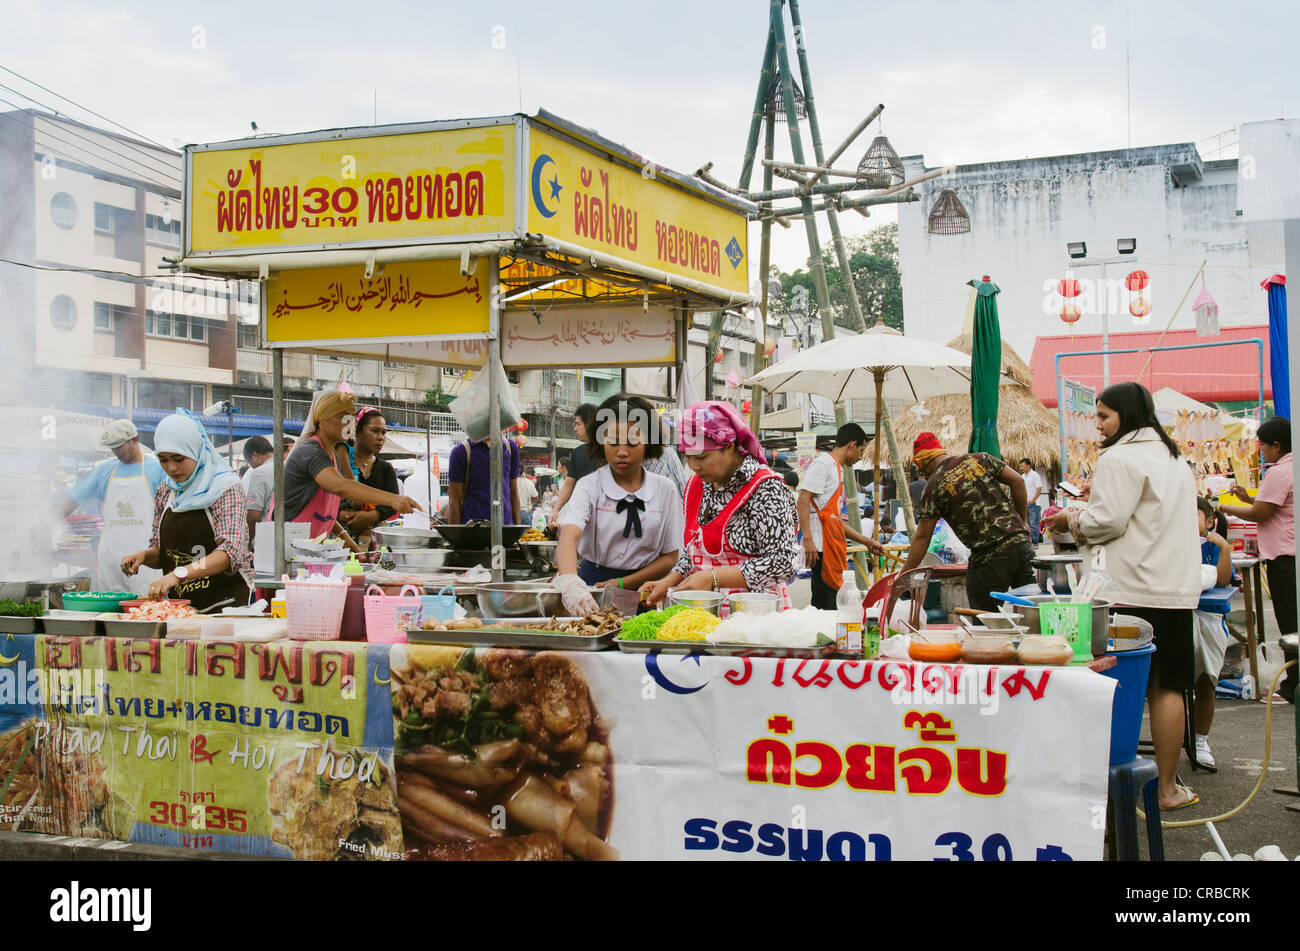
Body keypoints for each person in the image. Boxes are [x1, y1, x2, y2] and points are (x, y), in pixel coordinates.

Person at [1049, 381, 1201, 810]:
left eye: (1104, 416)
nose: (1097, 425)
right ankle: (1168, 789)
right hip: (1174, 589)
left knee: (1116, 686)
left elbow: (1107, 522)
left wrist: (1069, 518)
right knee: (1167, 689)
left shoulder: (1120, 457)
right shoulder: (1173, 458)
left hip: (1131, 587)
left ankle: (1104, 788)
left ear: (1126, 416)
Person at [639, 401, 799, 615]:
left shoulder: (765, 488)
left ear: (730, 446)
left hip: (755, 616)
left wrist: (712, 577)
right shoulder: (696, 486)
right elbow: (694, 552)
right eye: (687, 457)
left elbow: (783, 561)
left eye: (702, 457)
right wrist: (668, 581)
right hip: (702, 614)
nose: (694, 466)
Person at [554, 395, 683, 615]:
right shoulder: (589, 485)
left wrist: (623, 583)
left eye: (633, 442)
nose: (622, 451)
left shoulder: (665, 489)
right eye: (612, 442)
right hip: (592, 587)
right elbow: (568, 536)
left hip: (645, 589)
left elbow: (671, 556)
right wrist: (569, 583)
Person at [120, 412, 253, 611]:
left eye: (179, 459)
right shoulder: (166, 490)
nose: (172, 468)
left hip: (227, 607)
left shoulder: (225, 488)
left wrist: (179, 574)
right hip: (180, 608)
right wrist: (145, 556)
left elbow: (230, 553)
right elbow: (162, 552)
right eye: (163, 460)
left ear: (196, 450)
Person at [900, 432, 1033, 611]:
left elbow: (923, 538)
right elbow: (1017, 481)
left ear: (922, 462)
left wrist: (903, 576)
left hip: (989, 557)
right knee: (1033, 610)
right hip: (1021, 545)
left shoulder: (933, 486)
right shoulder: (979, 459)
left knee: (986, 620)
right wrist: (1023, 521)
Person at [281, 389, 420, 548]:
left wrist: (355, 549)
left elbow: (325, 515)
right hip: (290, 545)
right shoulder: (311, 452)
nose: (349, 423)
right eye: (342, 417)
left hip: (311, 546)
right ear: (322, 420)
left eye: (350, 417)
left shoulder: (331, 456)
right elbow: (340, 486)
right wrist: (393, 499)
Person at [62, 419, 165, 594]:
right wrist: (46, 521)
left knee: (146, 607)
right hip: (111, 557)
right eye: (112, 448)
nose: (115, 452)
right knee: (109, 609)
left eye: (119, 446)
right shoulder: (104, 471)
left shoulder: (157, 470)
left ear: (135, 439)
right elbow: (73, 499)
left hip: (146, 558)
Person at [1217, 416, 1295, 645]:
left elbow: (1260, 514)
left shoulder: (1279, 471)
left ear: (1277, 445)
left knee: (1290, 621)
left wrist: (1220, 507)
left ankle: (1294, 678)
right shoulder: (1291, 467)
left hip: (1283, 556)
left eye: (1263, 445)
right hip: (1290, 554)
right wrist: (1249, 498)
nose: (1261, 451)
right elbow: (1274, 505)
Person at [797, 423, 886, 610]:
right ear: (852, 445)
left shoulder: (836, 468)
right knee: (824, 608)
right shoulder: (824, 463)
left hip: (832, 547)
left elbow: (834, 519)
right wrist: (808, 539)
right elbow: (803, 499)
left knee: (834, 605)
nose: (859, 456)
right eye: (860, 450)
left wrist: (866, 541)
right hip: (820, 548)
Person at [1192, 497, 1233, 768]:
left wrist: (1225, 549)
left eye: (1191, 515)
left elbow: (1223, 579)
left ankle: (1200, 741)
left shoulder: (1216, 546)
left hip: (1211, 618)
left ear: (1209, 521)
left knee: (1206, 683)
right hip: (1181, 616)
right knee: (1168, 685)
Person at [338, 408, 400, 543]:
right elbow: (326, 499)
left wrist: (372, 516)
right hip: (338, 537)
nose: (380, 437)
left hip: (374, 539)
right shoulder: (340, 461)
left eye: (384, 432)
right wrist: (347, 516)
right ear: (358, 431)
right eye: (375, 431)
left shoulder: (386, 468)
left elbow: (393, 502)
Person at [447, 427, 522, 525]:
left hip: (506, 528)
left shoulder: (510, 448)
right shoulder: (461, 451)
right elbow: (454, 500)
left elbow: (514, 493)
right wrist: (455, 538)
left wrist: (517, 533)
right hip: (473, 530)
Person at [549, 404, 601, 526]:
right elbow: (568, 485)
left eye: (578, 424)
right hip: (584, 518)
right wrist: (556, 509)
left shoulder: (611, 451)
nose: (574, 429)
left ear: (590, 424)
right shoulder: (578, 452)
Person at [245, 435, 295, 535]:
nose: (252, 467)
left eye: (250, 463)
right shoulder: (290, 466)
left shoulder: (259, 472)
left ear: (255, 455)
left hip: (269, 536)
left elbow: (253, 516)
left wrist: (251, 542)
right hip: (293, 531)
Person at [1019, 458, 1045, 544]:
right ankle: (1028, 542)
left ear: (1028, 466)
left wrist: (1033, 500)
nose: (1021, 468)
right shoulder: (1022, 477)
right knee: (1026, 524)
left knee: (1034, 524)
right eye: (1020, 467)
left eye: (1022, 466)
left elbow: (1039, 488)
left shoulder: (1035, 475)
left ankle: (1034, 543)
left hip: (1034, 504)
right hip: (1024, 504)